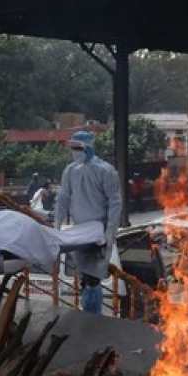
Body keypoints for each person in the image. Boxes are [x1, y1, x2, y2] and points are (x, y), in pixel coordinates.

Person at [54, 130, 121, 315]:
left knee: (93, 279)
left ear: (88, 147)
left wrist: (110, 230)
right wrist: (56, 226)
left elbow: (114, 202)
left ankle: (93, 319)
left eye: (78, 148)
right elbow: (63, 198)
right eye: (72, 148)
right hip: (80, 230)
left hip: (98, 231)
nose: (74, 152)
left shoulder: (105, 171)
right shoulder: (70, 171)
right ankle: (88, 315)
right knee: (85, 276)